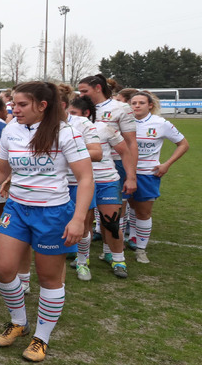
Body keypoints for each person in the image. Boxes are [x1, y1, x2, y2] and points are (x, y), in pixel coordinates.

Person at [0, 82, 93, 363]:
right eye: (13, 103)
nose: (14, 109)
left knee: (49, 278)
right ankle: (19, 322)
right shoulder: (10, 129)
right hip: (17, 209)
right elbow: (1, 171)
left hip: (53, 212)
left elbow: (86, 178)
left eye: (22, 104)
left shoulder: (66, 132)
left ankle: (42, 337)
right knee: (3, 269)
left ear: (42, 106)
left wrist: (77, 219)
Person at [67, 95, 131, 280]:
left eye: (73, 113)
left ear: (86, 113)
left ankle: (119, 261)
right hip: (83, 182)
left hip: (106, 180)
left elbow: (125, 151)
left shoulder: (104, 128)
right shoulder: (66, 130)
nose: (69, 116)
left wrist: (130, 177)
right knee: (84, 224)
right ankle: (82, 262)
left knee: (111, 222)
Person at [127, 90, 189, 263]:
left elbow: (183, 144)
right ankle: (130, 238)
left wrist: (166, 164)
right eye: (134, 103)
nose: (137, 106)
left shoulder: (161, 123)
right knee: (129, 207)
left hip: (147, 174)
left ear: (150, 105)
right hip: (124, 173)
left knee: (144, 212)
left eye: (141, 103)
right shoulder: (124, 122)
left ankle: (141, 249)